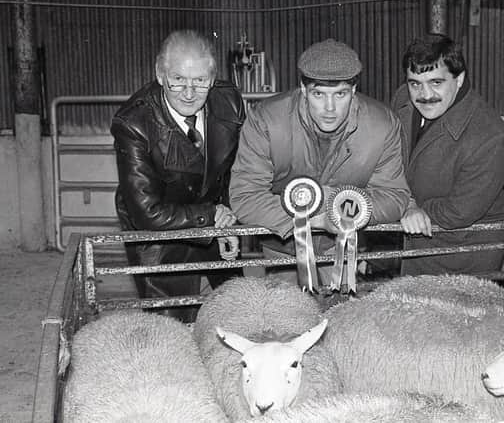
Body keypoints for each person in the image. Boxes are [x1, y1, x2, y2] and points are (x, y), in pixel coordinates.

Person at [229, 38, 410, 287]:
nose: (330, 108)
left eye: (340, 94)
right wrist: (316, 219)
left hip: (346, 248)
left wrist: (338, 209)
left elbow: (395, 196)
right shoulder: (266, 121)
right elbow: (244, 195)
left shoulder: (382, 125)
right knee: (288, 321)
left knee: (342, 318)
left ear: (354, 89)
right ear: (303, 89)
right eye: (318, 94)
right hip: (282, 246)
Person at [111, 29, 245, 322]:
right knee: (173, 327)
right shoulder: (133, 123)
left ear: (212, 79)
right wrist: (211, 218)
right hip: (160, 234)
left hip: (214, 219)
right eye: (178, 80)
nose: (188, 92)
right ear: (160, 74)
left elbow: (232, 174)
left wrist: (228, 224)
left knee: (237, 315)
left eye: (199, 81)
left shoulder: (230, 103)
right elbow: (147, 212)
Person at [392, 34, 504, 276]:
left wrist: (413, 208)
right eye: (415, 83)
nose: (425, 94)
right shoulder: (403, 101)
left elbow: (458, 211)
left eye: (436, 82)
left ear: (459, 79)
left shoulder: (491, 137)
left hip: (460, 255)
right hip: (413, 241)